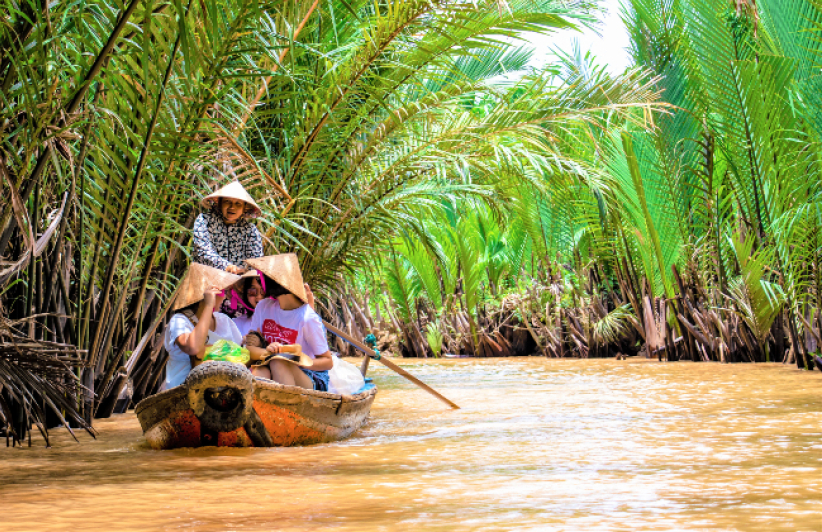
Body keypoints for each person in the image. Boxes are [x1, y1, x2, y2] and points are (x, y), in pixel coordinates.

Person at [243, 254, 333, 391]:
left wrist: (297, 360)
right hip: (272, 365)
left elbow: (327, 361)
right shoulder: (264, 307)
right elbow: (250, 348)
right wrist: (268, 351)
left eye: (262, 278)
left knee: (278, 361)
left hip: (309, 376)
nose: (260, 282)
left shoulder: (307, 318)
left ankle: (287, 407)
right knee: (261, 369)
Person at [162, 263, 243, 390]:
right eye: (221, 292)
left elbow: (241, 353)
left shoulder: (224, 320)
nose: (225, 297)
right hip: (184, 391)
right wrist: (208, 305)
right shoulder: (180, 320)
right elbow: (193, 347)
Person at [192, 181, 263, 275]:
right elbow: (202, 251)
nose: (232, 207)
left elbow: (256, 262)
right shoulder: (204, 221)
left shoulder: (250, 230)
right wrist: (227, 267)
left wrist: (247, 273)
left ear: (244, 208)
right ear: (220, 203)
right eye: (227, 202)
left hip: (238, 283)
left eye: (238, 204)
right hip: (207, 280)